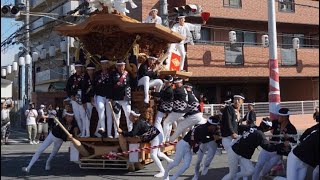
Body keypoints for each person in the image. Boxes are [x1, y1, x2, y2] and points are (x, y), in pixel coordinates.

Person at [221, 120, 289, 180]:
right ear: (267, 128)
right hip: (234, 152)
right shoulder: (260, 134)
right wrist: (282, 145)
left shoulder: (253, 127)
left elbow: (240, 127)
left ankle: (236, 176)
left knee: (250, 171)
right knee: (231, 174)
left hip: (242, 154)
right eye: (269, 128)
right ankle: (235, 176)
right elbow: (268, 147)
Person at [252, 108, 298, 180]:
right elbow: (264, 127)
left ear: (285, 117)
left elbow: (294, 143)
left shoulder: (292, 128)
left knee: (268, 166)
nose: (278, 117)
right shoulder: (275, 123)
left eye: (280, 116)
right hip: (269, 147)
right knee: (259, 164)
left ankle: (261, 176)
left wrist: (287, 138)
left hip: (278, 151)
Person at [66, 60, 91, 137]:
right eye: (77, 68)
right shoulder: (72, 77)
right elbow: (67, 88)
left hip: (82, 97)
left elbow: (87, 88)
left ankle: (84, 132)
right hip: (74, 98)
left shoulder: (85, 77)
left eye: (80, 68)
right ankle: (82, 130)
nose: (78, 69)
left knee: (83, 116)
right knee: (77, 116)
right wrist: (71, 96)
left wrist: (84, 99)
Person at [192, 116, 222, 180]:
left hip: (212, 142)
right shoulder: (202, 128)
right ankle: (196, 174)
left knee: (209, 158)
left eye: (216, 125)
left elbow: (219, 138)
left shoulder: (217, 127)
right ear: (210, 125)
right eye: (214, 125)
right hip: (202, 142)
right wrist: (213, 137)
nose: (215, 127)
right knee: (198, 160)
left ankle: (205, 166)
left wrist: (218, 139)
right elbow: (201, 140)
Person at [93, 57, 114, 138]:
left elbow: (113, 86)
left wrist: (112, 97)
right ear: (100, 65)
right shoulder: (97, 74)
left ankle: (109, 134)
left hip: (109, 96)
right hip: (99, 95)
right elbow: (94, 86)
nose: (104, 66)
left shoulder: (111, 74)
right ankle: (102, 127)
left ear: (108, 65)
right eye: (102, 64)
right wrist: (92, 96)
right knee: (101, 108)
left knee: (109, 114)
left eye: (105, 64)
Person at [111, 59, 132, 138]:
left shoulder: (127, 74)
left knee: (128, 115)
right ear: (116, 66)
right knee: (117, 117)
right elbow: (113, 86)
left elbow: (131, 84)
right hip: (116, 98)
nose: (120, 67)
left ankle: (130, 132)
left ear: (124, 66)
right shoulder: (113, 74)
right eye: (119, 66)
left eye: (122, 65)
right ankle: (116, 134)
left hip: (126, 98)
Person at [163, 77, 188, 142]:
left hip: (179, 110)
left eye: (177, 84)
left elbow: (169, 94)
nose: (175, 85)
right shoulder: (182, 88)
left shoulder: (178, 90)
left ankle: (164, 139)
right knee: (170, 122)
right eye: (175, 84)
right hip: (182, 110)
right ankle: (168, 138)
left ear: (181, 83)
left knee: (166, 122)